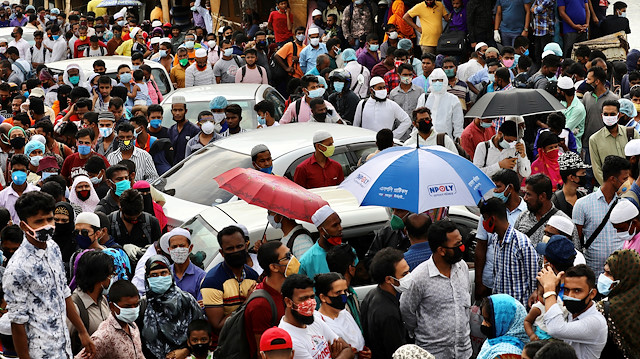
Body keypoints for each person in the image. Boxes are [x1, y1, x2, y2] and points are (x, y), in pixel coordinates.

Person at [3, 191, 95, 358]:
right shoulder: (17, 269)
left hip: (63, 346)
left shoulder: (52, 247)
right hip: (39, 352)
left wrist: (82, 332)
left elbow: (64, 293)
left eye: (49, 219)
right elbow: (17, 323)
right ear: (24, 226)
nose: (47, 225)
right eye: (39, 221)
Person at [399, 219, 471, 357]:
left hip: (463, 352)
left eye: (461, 242)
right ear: (441, 250)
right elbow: (406, 309)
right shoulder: (419, 277)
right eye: (457, 245)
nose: (462, 248)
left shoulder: (462, 267)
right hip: (434, 353)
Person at [139, 255, 204, 359]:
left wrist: (186, 350)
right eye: (154, 275)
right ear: (147, 278)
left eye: (163, 273)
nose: (159, 278)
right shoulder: (143, 306)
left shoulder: (186, 300)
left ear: (171, 274)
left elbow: (202, 331)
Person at [574, 155, 630, 275]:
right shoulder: (582, 204)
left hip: (619, 274)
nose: (627, 183)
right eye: (624, 179)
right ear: (613, 179)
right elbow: (577, 242)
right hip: (593, 273)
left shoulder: (625, 205)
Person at [537, 264, 607, 358]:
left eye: (577, 291)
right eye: (566, 290)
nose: (570, 295)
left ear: (592, 294)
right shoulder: (573, 312)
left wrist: (549, 290)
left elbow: (555, 328)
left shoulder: (595, 322)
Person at [278, 274, 355, 359]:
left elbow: (348, 350)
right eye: (303, 298)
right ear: (288, 302)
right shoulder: (290, 339)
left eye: (312, 297)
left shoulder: (314, 318)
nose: (310, 303)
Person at [480, 197, 539, 305]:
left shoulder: (522, 244)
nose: (483, 223)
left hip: (518, 310)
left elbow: (533, 282)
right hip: (500, 308)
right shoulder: (495, 239)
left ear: (492, 219)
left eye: (485, 218)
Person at [200, 225, 259, 334]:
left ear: (246, 247)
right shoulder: (212, 281)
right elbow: (218, 325)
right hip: (227, 345)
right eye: (230, 249)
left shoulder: (253, 276)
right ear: (222, 253)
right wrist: (247, 303)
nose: (236, 251)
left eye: (239, 246)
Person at [245, 240, 296, 358]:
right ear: (273, 267)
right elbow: (262, 352)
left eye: (291, 254)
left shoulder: (286, 290)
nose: (293, 259)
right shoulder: (260, 304)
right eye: (287, 257)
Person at [74, 280, 145, 359]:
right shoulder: (104, 335)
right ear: (112, 307)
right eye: (127, 307)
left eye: (136, 305)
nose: (133, 309)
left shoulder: (132, 326)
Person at [361, 248, 408, 358]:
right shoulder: (389, 313)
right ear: (389, 279)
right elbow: (397, 352)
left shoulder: (372, 294)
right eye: (404, 274)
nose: (409, 276)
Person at [595, 250, 640, 357]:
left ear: (625, 277)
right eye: (604, 271)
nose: (603, 276)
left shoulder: (605, 309)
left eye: (609, 273)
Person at [314, 273, 370, 357]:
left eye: (345, 291)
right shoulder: (320, 322)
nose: (343, 296)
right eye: (338, 292)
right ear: (323, 297)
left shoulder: (345, 313)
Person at [69, 250, 113, 353]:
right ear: (100, 278)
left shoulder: (102, 300)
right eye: (110, 275)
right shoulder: (74, 307)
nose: (111, 279)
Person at [589, 100, 640, 185]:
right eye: (606, 114)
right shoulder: (594, 139)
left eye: (612, 114)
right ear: (602, 116)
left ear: (618, 115)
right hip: (610, 188)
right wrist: (609, 187)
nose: (609, 117)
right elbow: (597, 170)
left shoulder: (631, 133)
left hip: (633, 186)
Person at [298, 205, 345, 280]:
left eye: (340, 223)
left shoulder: (348, 251)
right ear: (322, 230)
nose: (340, 228)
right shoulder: (306, 261)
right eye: (335, 225)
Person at [582, 67, 620, 161]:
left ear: (597, 81)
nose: (587, 82)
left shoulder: (613, 98)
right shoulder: (586, 96)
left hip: (607, 144)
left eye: (589, 79)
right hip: (588, 143)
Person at [416, 69, 464, 140]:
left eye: (440, 80)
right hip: (425, 140)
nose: (437, 83)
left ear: (445, 80)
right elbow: (417, 119)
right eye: (434, 80)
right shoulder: (424, 98)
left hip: (444, 140)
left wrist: (458, 139)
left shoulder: (453, 99)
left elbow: (458, 124)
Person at [476, 294, 529, 359]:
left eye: (487, 320)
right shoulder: (496, 340)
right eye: (483, 319)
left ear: (504, 322)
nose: (483, 323)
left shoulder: (507, 354)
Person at [166, 228, 206, 301]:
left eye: (182, 246)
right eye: (174, 247)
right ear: (169, 250)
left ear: (190, 248)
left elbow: (200, 307)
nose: (178, 250)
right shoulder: (165, 275)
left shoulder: (201, 277)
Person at [0, 154, 40, 224]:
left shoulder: (37, 193)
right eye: (15, 170)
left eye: (22, 171)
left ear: (28, 173)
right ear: (10, 173)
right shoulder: (2, 196)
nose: (19, 174)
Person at [553, 152, 589, 217]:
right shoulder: (556, 201)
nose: (585, 175)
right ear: (571, 177)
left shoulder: (582, 196)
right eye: (582, 173)